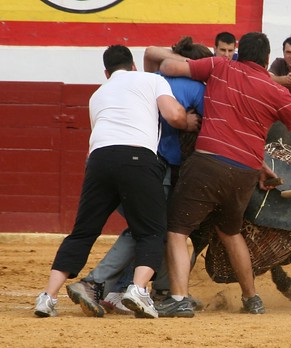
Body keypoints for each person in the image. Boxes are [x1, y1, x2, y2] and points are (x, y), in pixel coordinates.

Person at [154, 31, 291, 318]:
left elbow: (168, 67)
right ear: (265, 60)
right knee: (230, 231)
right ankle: (252, 298)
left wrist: (163, 56)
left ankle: (177, 298)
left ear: (239, 52)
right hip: (245, 173)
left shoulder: (220, 66)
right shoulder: (277, 91)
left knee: (177, 231)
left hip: (208, 164)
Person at [33, 44, 189, 319]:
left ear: (107, 72)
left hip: (99, 161)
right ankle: (137, 290)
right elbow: (174, 115)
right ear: (133, 66)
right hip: (139, 159)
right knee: (151, 231)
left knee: (83, 232)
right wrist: (190, 122)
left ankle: (48, 296)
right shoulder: (152, 79)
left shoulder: (98, 94)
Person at [66, 37, 212, 317]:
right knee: (148, 229)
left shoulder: (148, 77)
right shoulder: (194, 87)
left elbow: (151, 52)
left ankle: (148, 288)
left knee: (150, 228)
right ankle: (99, 282)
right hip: (153, 165)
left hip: (113, 160)